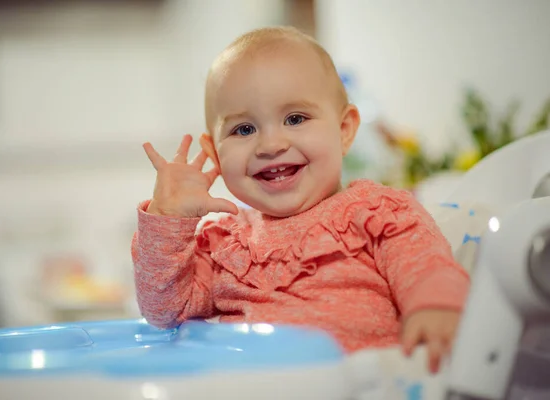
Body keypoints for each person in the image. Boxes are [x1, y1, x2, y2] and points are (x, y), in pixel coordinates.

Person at [132, 26, 469, 373]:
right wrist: (168, 218)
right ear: (215, 155)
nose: (271, 145)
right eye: (244, 129)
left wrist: (435, 309)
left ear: (344, 130)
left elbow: (427, 269)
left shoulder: (379, 214)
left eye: (295, 118)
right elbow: (163, 310)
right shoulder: (223, 247)